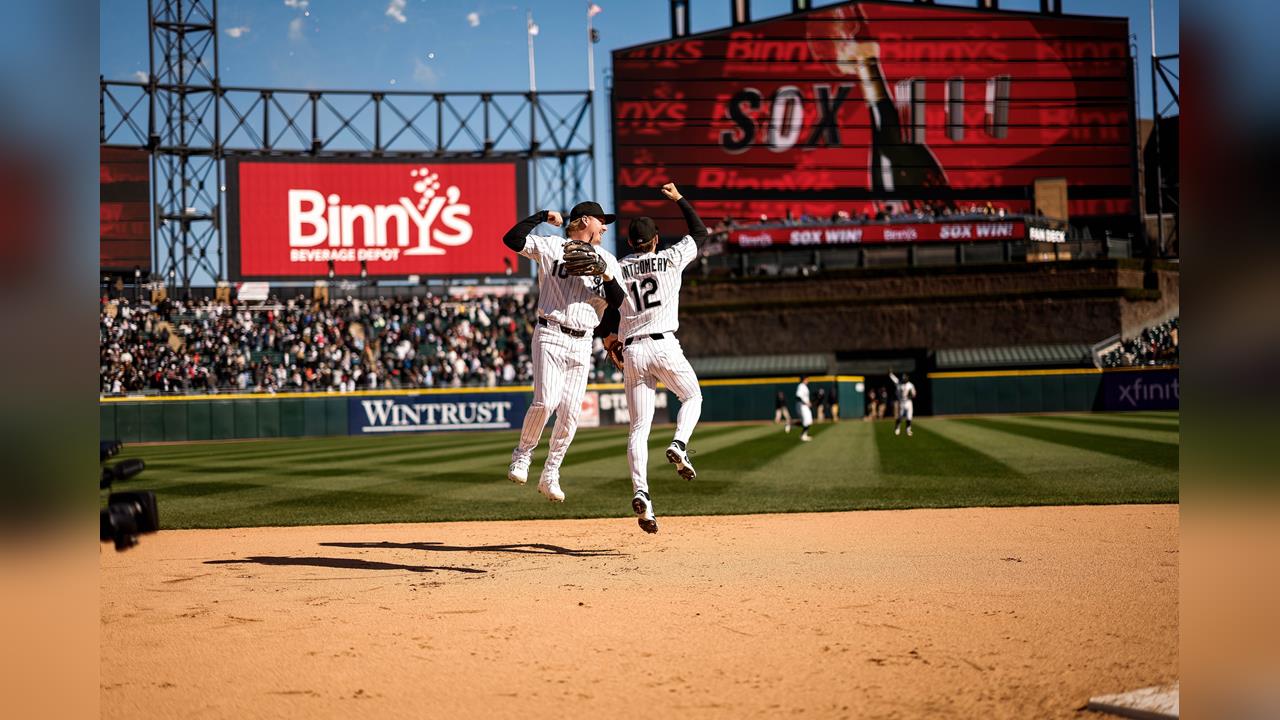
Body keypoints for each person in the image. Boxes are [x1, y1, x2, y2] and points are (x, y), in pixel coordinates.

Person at [501, 201, 625, 503]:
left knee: (570, 414)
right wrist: (542, 217)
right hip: (550, 332)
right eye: (600, 221)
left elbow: (618, 301)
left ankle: (551, 473)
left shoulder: (608, 259)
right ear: (584, 221)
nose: (605, 227)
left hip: (583, 343)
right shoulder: (552, 247)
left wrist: (606, 276)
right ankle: (522, 455)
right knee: (546, 402)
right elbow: (512, 240)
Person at [603, 182, 706, 534]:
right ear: (655, 239)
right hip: (663, 344)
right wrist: (679, 199)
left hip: (633, 349)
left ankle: (642, 495)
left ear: (631, 242)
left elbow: (609, 305)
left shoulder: (617, 267)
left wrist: (608, 337)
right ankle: (679, 443)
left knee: (638, 429)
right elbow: (700, 233)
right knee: (692, 395)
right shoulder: (672, 257)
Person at [889, 371, 916, 437]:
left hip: (909, 402)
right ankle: (897, 427)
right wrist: (890, 374)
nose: (904, 379)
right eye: (904, 378)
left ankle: (908, 429)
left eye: (905, 378)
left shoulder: (910, 385)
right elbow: (894, 379)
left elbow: (914, 394)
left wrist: (911, 395)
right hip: (901, 402)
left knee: (909, 417)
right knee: (900, 417)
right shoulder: (899, 383)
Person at [796, 375, 814, 442]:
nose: (808, 380)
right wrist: (806, 403)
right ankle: (803, 435)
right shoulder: (801, 386)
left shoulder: (805, 386)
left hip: (805, 406)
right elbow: (798, 397)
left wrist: (808, 402)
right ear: (804, 379)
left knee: (809, 421)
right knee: (806, 421)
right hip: (802, 406)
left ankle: (804, 435)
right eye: (807, 379)